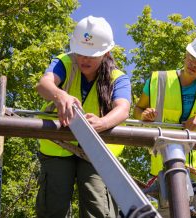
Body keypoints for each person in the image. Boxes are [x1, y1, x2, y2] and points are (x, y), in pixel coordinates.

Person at [35, 16, 131, 218]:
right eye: (81, 53)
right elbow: (44, 84)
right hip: (58, 147)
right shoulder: (64, 62)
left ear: (106, 53)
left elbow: (123, 109)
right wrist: (60, 94)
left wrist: (103, 122)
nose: (84, 59)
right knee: (53, 208)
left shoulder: (118, 78)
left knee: (98, 209)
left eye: (92, 55)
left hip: (98, 151)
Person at [133, 33, 196, 217]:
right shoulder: (159, 81)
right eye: (192, 57)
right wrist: (145, 115)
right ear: (186, 53)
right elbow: (137, 110)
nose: (193, 64)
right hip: (166, 169)